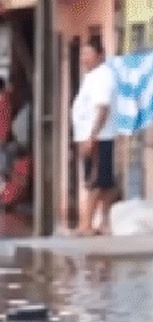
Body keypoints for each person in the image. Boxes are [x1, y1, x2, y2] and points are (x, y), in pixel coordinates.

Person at [72, 36, 118, 236]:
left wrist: (92, 136)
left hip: (98, 137)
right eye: (82, 53)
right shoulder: (93, 76)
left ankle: (86, 225)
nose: (83, 58)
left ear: (99, 55)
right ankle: (104, 224)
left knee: (95, 181)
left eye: (87, 53)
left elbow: (102, 109)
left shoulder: (101, 76)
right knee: (104, 181)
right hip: (95, 136)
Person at [0, 76, 16, 175]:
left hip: (3, 138)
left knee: (4, 168)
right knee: (4, 166)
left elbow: (5, 119)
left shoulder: (5, 98)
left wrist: (3, 137)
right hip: (3, 137)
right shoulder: (6, 97)